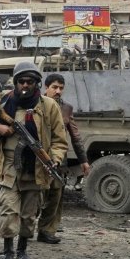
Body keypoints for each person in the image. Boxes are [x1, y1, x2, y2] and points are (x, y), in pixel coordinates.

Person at [0, 61, 67, 259]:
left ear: (37, 83)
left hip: (36, 167)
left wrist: (54, 159)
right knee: (9, 210)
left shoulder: (48, 105)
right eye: (21, 81)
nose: (25, 86)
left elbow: (59, 140)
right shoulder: (4, 101)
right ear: (16, 82)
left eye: (30, 82)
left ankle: (22, 250)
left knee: (29, 215)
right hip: (9, 165)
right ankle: (8, 253)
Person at [37, 74, 90, 245]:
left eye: (61, 88)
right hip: (38, 158)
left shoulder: (66, 108)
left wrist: (83, 160)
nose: (58, 91)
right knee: (35, 196)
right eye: (54, 87)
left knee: (55, 196)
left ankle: (46, 231)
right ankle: (26, 228)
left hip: (59, 160)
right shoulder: (36, 104)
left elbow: (75, 135)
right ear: (46, 87)